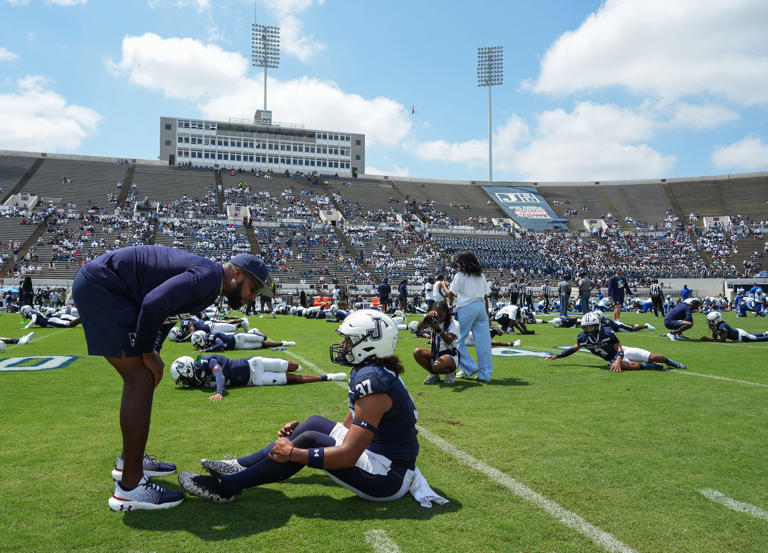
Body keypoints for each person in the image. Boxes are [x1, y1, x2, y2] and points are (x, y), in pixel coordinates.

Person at [178, 310, 447, 508]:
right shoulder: (374, 371)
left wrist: (295, 451)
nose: (343, 346)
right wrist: (294, 442)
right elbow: (347, 427)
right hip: (380, 456)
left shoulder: (373, 382)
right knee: (313, 423)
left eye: (349, 340)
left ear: (369, 343)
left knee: (308, 441)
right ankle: (236, 466)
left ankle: (226, 488)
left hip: (388, 477)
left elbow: (348, 455)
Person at [71, 246, 272, 511]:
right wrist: (146, 353)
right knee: (140, 379)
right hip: (104, 285)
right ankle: (130, 487)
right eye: (253, 289)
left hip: (108, 285)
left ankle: (130, 461)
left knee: (142, 377)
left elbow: (165, 315)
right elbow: (153, 303)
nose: (252, 297)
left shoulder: (212, 284)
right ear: (237, 273)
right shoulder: (209, 277)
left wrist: (153, 350)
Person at [545, 312, 687, 372]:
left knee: (653, 356)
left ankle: (670, 362)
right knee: (625, 366)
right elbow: (573, 349)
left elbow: (618, 346)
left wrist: (618, 360)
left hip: (621, 351)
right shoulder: (582, 338)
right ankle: (650, 366)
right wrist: (558, 356)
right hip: (611, 358)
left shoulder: (606, 332)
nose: (588, 329)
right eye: (586, 327)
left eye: (591, 326)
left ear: (597, 325)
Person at [169, 354, 347, 401]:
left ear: (188, 370)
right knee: (291, 379)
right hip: (255, 380)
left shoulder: (205, 361)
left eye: (183, 379)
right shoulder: (198, 376)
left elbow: (219, 373)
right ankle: (328, 377)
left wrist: (220, 392)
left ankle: (300, 366)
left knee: (292, 366)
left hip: (254, 364)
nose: (185, 383)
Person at [448, 251, 493, 383]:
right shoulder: (480, 275)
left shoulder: (460, 275)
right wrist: (487, 315)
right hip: (480, 306)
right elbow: (486, 296)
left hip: (466, 307)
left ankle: (469, 366)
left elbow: (451, 294)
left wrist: (443, 286)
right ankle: (485, 374)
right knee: (484, 343)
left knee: (457, 340)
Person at [413, 301, 460, 385]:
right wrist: (427, 317)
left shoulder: (454, 323)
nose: (439, 318)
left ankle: (450, 373)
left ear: (446, 313)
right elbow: (418, 328)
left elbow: (448, 341)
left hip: (451, 355)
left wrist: (438, 329)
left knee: (437, 366)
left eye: (441, 315)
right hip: (436, 354)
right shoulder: (432, 320)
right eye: (437, 315)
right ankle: (434, 375)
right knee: (417, 352)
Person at [191, 329, 295, 352]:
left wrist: (206, 350)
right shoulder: (208, 340)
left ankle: (254, 331)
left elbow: (220, 345)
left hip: (239, 338)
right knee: (262, 345)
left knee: (264, 338)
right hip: (238, 346)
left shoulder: (211, 336)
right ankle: (282, 343)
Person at [701, 311, 768, 342]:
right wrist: (710, 339)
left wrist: (709, 340)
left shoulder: (723, 326)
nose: (710, 322)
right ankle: (765, 333)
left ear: (717, 319)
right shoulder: (715, 325)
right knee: (752, 336)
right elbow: (714, 338)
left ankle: (766, 335)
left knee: (756, 339)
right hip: (737, 332)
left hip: (741, 336)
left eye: (711, 321)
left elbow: (723, 340)